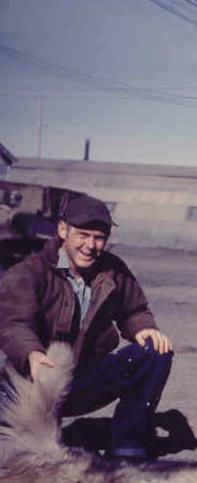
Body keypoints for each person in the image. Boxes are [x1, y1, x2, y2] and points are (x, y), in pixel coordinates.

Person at [0, 195, 173, 461]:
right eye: (82, 235)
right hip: (32, 383)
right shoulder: (28, 272)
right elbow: (13, 324)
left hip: (83, 380)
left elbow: (134, 311)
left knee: (156, 351)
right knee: (20, 459)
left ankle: (126, 445)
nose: (90, 246)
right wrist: (31, 353)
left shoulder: (113, 270)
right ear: (62, 230)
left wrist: (143, 327)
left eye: (99, 238)